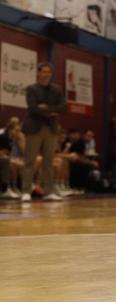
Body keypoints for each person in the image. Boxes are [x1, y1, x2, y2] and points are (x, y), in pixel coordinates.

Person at [21, 62, 65, 202]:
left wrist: (46, 108)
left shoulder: (57, 89)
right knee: (30, 161)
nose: (47, 75)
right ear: (38, 73)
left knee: (49, 162)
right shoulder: (31, 89)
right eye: (44, 72)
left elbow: (62, 108)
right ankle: (26, 191)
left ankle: (48, 191)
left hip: (51, 129)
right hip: (34, 128)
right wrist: (51, 111)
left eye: (49, 72)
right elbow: (33, 108)